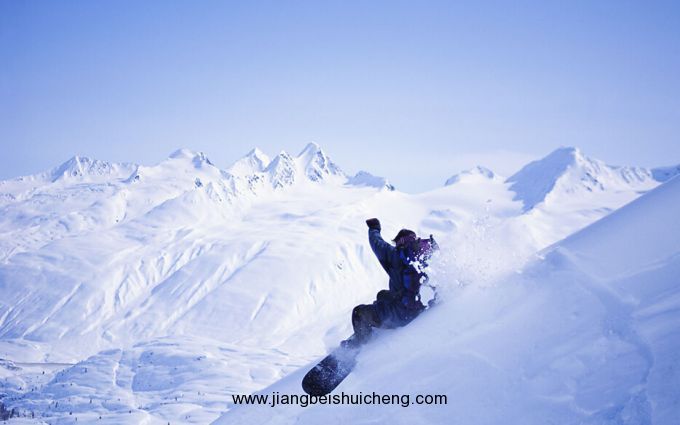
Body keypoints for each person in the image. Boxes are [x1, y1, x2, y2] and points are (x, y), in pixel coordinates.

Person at [343, 218, 438, 348]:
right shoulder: (424, 255)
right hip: (418, 308)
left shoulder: (396, 254)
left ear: (400, 241)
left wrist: (374, 228)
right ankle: (376, 321)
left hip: (402, 314)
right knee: (381, 295)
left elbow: (377, 243)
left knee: (359, 313)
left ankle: (360, 346)